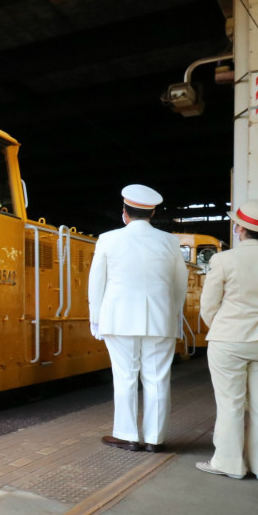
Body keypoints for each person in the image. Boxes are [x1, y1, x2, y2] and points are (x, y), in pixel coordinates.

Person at [196, 199, 258, 480]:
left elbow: (209, 304)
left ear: (239, 227)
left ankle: (229, 464)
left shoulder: (224, 260)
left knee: (230, 403)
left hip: (229, 339)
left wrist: (220, 328)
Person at [88, 184, 188, 453]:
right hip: (160, 320)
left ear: (125, 213)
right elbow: (180, 284)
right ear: (152, 213)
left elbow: (97, 283)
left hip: (119, 320)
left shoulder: (107, 239)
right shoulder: (170, 242)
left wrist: (95, 318)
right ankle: (155, 439)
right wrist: (175, 314)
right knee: (157, 379)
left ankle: (127, 435)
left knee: (125, 377)